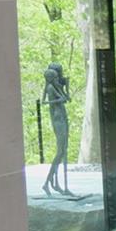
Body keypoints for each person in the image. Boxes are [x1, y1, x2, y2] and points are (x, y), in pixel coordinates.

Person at [41, 63, 72, 196]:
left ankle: (56, 184)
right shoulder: (50, 88)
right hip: (58, 119)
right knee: (60, 152)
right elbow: (54, 101)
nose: (59, 77)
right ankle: (48, 183)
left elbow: (66, 98)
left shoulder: (55, 86)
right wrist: (61, 97)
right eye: (58, 75)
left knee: (63, 151)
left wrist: (66, 87)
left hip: (62, 117)